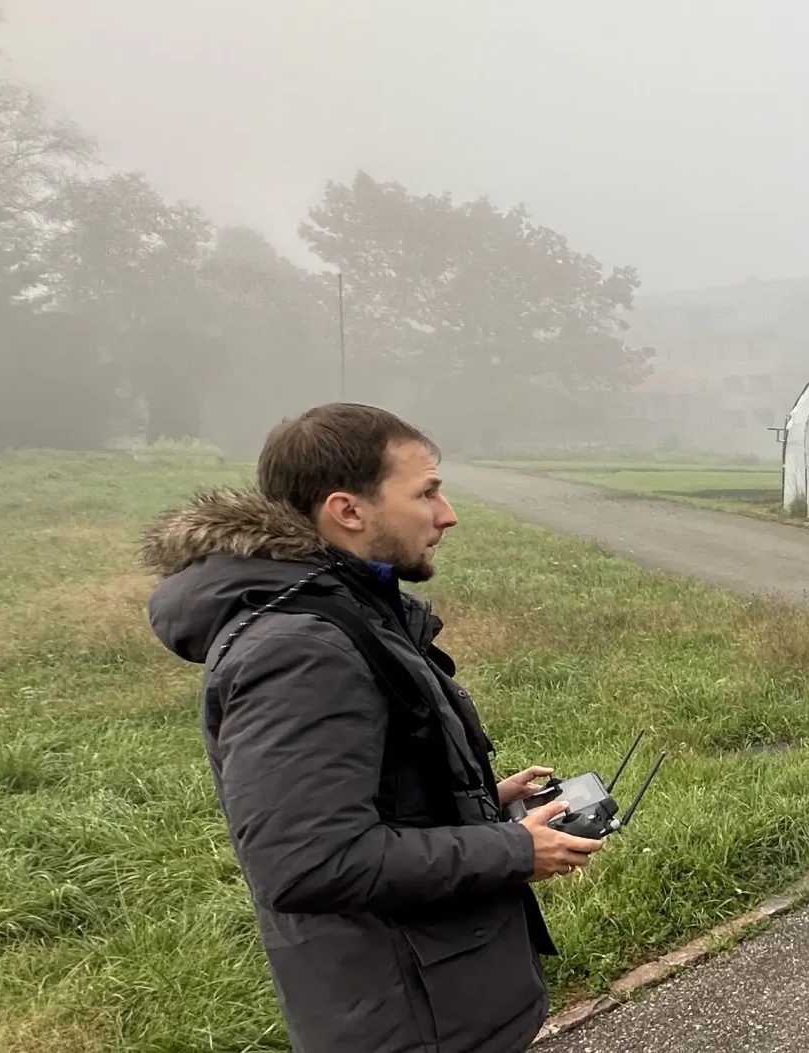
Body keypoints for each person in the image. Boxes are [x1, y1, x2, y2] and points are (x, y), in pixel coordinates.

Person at [144, 403, 602, 1053]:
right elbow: (310, 861)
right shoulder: (300, 647)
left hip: (439, 1001)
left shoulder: (346, 612)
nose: (447, 514)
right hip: (409, 1022)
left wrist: (480, 799)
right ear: (348, 510)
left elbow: (352, 797)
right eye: (426, 492)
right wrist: (517, 850)